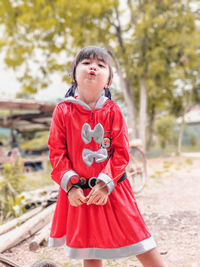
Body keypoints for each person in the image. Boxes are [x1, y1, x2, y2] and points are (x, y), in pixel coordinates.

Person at [48, 46, 165, 267]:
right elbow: (56, 152)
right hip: (80, 192)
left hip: (114, 188)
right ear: (74, 73)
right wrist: (71, 187)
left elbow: (121, 152)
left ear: (108, 80)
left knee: (140, 238)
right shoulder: (63, 111)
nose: (93, 66)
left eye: (101, 65)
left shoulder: (113, 111)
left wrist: (104, 184)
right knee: (89, 248)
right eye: (86, 62)